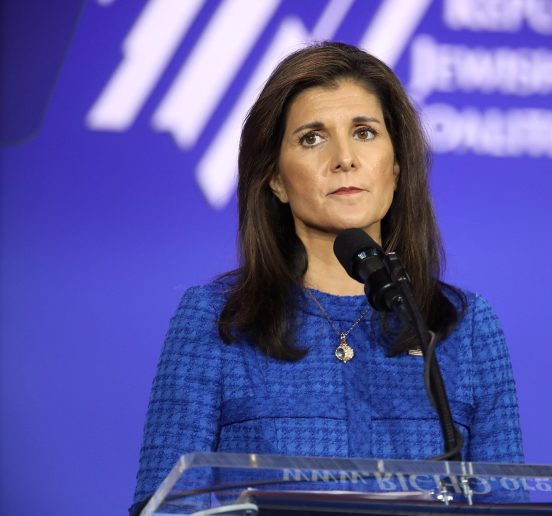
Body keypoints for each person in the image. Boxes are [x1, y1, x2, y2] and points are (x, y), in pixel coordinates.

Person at [130, 42, 523, 514]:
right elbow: (164, 506)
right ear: (276, 178)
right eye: (312, 138)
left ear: (397, 166)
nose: (344, 159)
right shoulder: (219, 319)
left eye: (364, 132)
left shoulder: (465, 326)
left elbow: (508, 504)